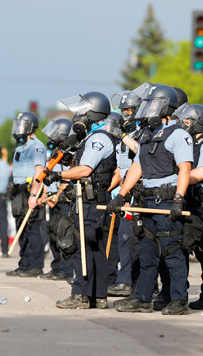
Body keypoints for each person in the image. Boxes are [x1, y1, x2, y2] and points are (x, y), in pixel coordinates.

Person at [109, 83, 194, 315]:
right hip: (146, 203)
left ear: (166, 106)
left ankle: (179, 300)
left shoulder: (178, 134)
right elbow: (138, 166)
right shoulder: (147, 133)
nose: (147, 109)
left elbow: (185, 168)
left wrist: (179, 198)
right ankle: (143, 299)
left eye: (152, 104)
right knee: (147, 253)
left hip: (166, 201)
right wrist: (121, 195)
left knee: (173, 252)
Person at [45, 92, 117, 309]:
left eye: (82, 112)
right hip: (90, 198)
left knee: (82, 247)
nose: (78, 116)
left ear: (93, 114)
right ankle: (98, 296)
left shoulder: (98, 139)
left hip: (90, 200)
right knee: (94, 248)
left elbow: (86, 170)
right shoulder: (91, 138)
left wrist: (58, 175)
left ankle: (80, 295)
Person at [174, 103, 203, 311]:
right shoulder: (185, 142)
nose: (182, 124)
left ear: (197, 123)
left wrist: (176, 180)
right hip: (181, 199)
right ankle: (178, 292)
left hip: (198, 204)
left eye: (186, 121)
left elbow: (201, 173)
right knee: (178, 246)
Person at [107, 89, 143, 297]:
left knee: (129, 239)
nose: (125, 113)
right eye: (123, 110)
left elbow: (141, 151)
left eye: (129, 109)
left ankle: (127, 281)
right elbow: (120, 169)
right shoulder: (124, 133)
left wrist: (122, 135)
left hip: (134, 194)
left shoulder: (141, 131)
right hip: (121, 194)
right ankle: (121, 278)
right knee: (121, 238)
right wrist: (111, 190)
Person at [6, 112, 47, 278]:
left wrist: (33, 195)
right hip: (17, 191)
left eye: (21, 125)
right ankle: (24, 264)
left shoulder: (36, 146)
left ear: (30, 127)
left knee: (31, 229)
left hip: (29, 190)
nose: (18, 129)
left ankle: (35, 265)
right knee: (20, 229)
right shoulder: (20, 147)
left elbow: (39, 172)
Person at [39, 118, 75, 281]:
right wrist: (46, 195)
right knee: (53, 232)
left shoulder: (71, 153)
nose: (52, 137)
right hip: (53, 201)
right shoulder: (56, 154)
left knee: (65, 235)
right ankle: (57, 267)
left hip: (64, 200)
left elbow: (68, 177)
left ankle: (66, 269)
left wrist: (58, 194)